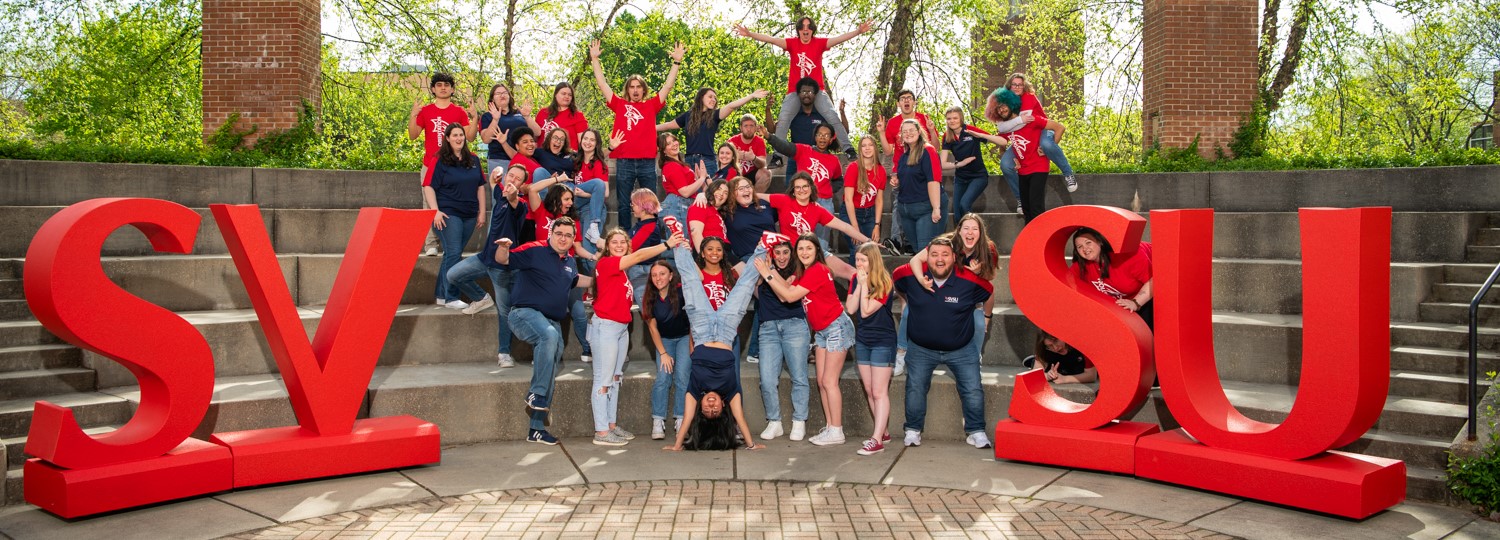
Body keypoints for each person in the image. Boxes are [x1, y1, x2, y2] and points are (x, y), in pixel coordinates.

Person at [493, 217, 592, 445]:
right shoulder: (535, 250)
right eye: (559, 233)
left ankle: (536, 428)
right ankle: (535, 393)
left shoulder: (569, 262)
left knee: (548, 372)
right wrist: (503, 247)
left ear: (572, 239)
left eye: (568, 235)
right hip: (524, 314)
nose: (563, 238)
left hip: (552, 322)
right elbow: (505, 260)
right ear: (551, 232)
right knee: (549, 336)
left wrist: (601, 279)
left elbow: (575, 280)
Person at [663, 240, 770, 452]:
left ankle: (677, 239)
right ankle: (763, 245)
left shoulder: (694, 391)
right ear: (723, 407)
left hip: (702, 329)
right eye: (715, 409)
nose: (711, 405)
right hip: (727, 331)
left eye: (707, 409)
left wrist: (677, 446)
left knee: (691, 282)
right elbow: (739, 418)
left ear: (701, 408)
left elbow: (686, 419)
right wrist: (751, 444)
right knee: (744, 288)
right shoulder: (730, 391)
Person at [892, 236, 994, 450]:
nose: (940, 259)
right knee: (915, 387)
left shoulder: (968, 279)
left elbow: (988, 291)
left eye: (945, 255)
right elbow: (896, 280)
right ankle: (913, 429)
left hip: (962, 349)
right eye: (934, 254)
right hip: (921, 348)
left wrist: (986, 316)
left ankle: (976, 430)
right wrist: (907, 299)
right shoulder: (910, 276)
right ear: (926, 257)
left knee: (973, 389)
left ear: (954, 257)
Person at [754, 234, 855, 446]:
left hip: (836, 327)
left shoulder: (818, 269)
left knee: (829, 381)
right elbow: (785, 293)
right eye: (800, 249)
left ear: (816, 250)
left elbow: (790, 297)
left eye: (808, 248)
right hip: (822, 331)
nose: (804, 252)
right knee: (821, 382)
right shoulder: (804, 272)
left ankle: (837, 430)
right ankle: (830, 427)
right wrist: (771, 270)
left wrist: (766, 272)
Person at [590, 227, 686, 445]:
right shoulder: (607, 263)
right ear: (606, 246)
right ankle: (601, 432)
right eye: (613, 242)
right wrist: (666, 245)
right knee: (602, 380)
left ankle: (611, 426)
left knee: (615, 379)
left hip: (620, 328)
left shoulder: (621, 270)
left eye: (622, 242)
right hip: (605, 327)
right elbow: (640, 256)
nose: (618, 245)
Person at [733, 17, 870, 152]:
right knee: (784, 118)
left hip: (817, 91)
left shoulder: (819, 43)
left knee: (831, 116)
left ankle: (848, 149)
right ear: (798, 30)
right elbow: (771, 39)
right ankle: (777, 156)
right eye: (802, 27)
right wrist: (750, 34)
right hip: (795, 90)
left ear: (812, 30)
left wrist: (858, 31)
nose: (806, 30)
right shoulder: (792, 43)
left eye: (809, 27)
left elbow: (839, 39)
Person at [590, 39, 685, 230]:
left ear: (643, 89)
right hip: (624, 161)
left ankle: (651, 236)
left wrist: (676, 62)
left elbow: (667, 87)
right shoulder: (620, 105)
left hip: (646, 162)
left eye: (638, 87)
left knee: (650, 204)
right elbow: (602, 85)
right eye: (631, 87)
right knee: (624, 205)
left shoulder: (650, 106)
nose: (635, 90)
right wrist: (594, 60)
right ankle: (625, 240)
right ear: (628, 89)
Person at [447, 164, 529, 367]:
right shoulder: (500, 194)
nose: (513, 180)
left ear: (522, 185)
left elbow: (513, 200)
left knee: (504, 311)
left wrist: (511, 194)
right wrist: (495, 179)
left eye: (518, 179)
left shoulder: (520, 204)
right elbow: (496, 187)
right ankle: (481, 297)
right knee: (452, 275)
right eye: (511, 175)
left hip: (503, 267)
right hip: (485, 258)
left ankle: (504, 353)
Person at [897, 216, 999, 375]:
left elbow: (989, 280)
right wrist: (921, 281)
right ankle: (901, 352)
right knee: (908, 312)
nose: (970, 232)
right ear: (959, 230)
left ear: (981, 232)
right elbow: (915, 260)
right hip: (935, 288)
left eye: (974, 229)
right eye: (966, 228)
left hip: (965, 296)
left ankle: (974, 357)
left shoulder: (988, 249)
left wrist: (978, 274)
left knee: (979, 323)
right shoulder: (946, 243)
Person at [526, 176, 595, 363]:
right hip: (543, 270)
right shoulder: (541, 212)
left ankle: (588, 348)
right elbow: (532, 189)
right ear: (556, 198)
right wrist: (557, 179)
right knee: (543, 314)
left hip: (567, 270)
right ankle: (542, 353)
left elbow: (579, 248)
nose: (570, 203)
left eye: (571, 199)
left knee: (579, 314)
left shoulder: (573, 220)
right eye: (567, 199)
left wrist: (592, 256)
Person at [408, 72, 477, 256]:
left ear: (452, 89)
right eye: (439, 85)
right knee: (428, 203)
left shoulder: (459, 111)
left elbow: (470, 136)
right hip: (430, 164)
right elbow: (413, 135)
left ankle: (449, 244)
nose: (443, 87)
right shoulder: (426, 111)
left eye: (447, 84)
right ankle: (430, 243)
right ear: (433, 89)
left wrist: (475, 117)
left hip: (454, 166)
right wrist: (413, 115)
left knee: (450, 202)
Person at [422, 123, 488, 310]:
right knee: (453, 253)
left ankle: (442, 295)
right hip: (448, 214)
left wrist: (482, 212)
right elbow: (428, 186)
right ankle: (451, 297)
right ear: (448, 138)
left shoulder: (473, 159)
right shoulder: (439, 160)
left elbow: (480, 187)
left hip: (469, 215)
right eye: (455, 135)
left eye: (461, 135)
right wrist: (435, 211)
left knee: (452, 254)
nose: (459, 138)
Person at [752, 240, 812, 441]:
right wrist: (761, 266)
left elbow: (786, 291)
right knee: (767, 380)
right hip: (768, 328)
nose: (782, 257)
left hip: (794, 326)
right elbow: (753, 284)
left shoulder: (799, 270)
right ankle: (774, 421)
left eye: (786, 252)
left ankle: (799, 421)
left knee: (799, 377)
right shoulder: (764, 270)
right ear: (772, 254)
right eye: (777, 253)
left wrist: (768, 270)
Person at [981, 88, 1066, 223]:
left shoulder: (1031, 119)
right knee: (1026, 209)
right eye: (998, 109)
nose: (1001, 110)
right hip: (1022, 170)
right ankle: (1029, 240)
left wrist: (1047, 149)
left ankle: (1039, 241)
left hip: (1038, 167)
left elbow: (1059, 127)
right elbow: (1003, 143)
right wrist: (1008, 157)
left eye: (1003, 106)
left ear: (1011, 104)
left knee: (1036, 207)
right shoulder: (1007, 127)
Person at [764, 173, 867, 280]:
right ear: (793, 191)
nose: (801, 190)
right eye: (797, 187)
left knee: (852, 272)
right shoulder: (783, 200)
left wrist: (868, 240)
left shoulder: (817, 209)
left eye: (805, 186)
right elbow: (756, 195)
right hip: (792, 252)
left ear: (811, 188)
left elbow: (845, 227)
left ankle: (863, 295)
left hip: (812, 250)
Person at [845, 242, 897, 455]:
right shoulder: (856, 279)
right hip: (864, 340)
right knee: (869, 389)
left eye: (863, 260)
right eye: (857, 259)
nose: (859, 264)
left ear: (872, 260)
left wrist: (865, 284)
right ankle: (882, 430)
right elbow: (850, 308)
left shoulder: (884, 281)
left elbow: (866, 312)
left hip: (883, 341)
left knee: (878, 390)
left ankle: (876, 439)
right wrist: (859, 284)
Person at [992, 73, 1078, 194]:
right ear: (1009, 86)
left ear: (1024, 86)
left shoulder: (1028, 97)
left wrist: (1048, 150)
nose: (1017, 87)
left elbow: (1023, 122)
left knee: (1047, 145)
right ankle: (1020, 198)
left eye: (1020, 85)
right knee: (1005, 164)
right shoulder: (1006, 103)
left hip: (1041, 128)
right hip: (1024, 134)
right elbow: (1002, 129)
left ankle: (1068, 173)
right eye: (1014, 84)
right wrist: (1003, 148)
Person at [766, 124, 845, 250]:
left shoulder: (833, 160)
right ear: (815, 137)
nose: (822, 138)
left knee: (821, 241)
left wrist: (828, 190)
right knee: (801, 237)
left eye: (826, 135)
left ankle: (821, 260)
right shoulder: (804, 150)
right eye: (819, 134)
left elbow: (838, 180)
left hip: (823, 202)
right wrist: (769, 136)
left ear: (831, 139)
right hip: (801, 199)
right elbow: (785, 147)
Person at [656, 87, 770, 174]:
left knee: (710, 195)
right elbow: (669, 125)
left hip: (707, 160)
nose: (713, 100)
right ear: (701, 97)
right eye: (710, 97)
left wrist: (751, 96)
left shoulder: (714, 115)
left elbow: (731, 106)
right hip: (690, 160)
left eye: (715, 98)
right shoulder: (688, 116)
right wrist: (649, 128)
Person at [1070, 227, 1154, 330]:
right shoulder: (1080, 265)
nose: (1084, 249)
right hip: (1120, 304)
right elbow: (1067, 285)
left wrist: (1136, 302)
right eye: (1079, 246)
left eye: (1088, 243)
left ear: (1100, 241)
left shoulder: (1128, 256)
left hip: (1151, 291)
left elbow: (1155, 281)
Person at [644, 260, 692, 440]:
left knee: (682, 376)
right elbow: (652, 328)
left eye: (662, 274)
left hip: (684, 337)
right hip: (664, 340)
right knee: (663, 377)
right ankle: (658, 419)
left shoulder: (681, 292)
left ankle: (681, 418)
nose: (658, 278)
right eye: (654, 275)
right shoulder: (649, 295)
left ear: (671, 276)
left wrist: (692, 344)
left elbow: (692, 320)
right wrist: (663, 353)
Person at [890, 119, 944, 252]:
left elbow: (933, 180)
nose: (908, 134)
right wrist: (897, 181)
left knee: (924, 252)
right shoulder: (904, 156)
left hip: (925, 209)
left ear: (919, 131)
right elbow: (908, 177)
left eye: (911, 130)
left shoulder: (928, 151)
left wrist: (936, 208)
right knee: (916, 252)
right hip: (906, 210)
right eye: (904, 132)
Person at [941, 107, 997, 225]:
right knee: (957, 215)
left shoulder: (970, 131)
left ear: (961, 118)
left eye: (955, 118)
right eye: (949, 119)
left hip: (978, 176)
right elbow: (942, 164)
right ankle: (961, 241)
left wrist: (980, 135)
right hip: (961, 178)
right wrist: (959, 164)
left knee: (964, 205)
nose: (952, 121)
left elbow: (1002, 141)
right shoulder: (947, 136)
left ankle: (976, 234)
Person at [843, 134, 887, 265]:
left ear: (875, 148)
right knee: (856, 249)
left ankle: (870, 284)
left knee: (871, 250)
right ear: (860, 149)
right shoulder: (853, 168)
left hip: (870, 214)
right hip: (852, 213)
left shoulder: (881, 170)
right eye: (863, 146)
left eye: (870, 145)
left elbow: (879, 200)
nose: (867, 148)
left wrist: (877, 225)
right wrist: (854, 226)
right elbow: (848, 200)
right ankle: (854, 283)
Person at [574, 129, 621, 246]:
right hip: (573, 204)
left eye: (592, 140)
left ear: (597, 144)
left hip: (591, 207)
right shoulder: (574, 160)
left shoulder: (599, 164)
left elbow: (605, 193)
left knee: (587, 249)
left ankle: (594, 225)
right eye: (585, 139)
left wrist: (583, 194)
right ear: (581, 141)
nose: (588, 142)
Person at [477, 84, 528, 179]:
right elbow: (486, 139)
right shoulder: (487, 116)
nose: (502, 95)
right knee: (501, 192)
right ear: (492, 99)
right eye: (498, 93)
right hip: (499, 159)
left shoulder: (519, 113)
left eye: (505, 93)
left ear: (509, 96)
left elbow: (535, 134)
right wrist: (495, 119)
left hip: (521, 159)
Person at [658, 132, 709, 227]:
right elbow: (684, 192)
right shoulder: (672, 166)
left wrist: (697, 179)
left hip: (680, 205)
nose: (673, 144)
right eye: (668, 144)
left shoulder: (677, 164)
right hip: (678, 206)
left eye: (674, 140)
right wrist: (702, 178)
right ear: (663, 150)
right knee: (682, 241)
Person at [882, 89, 939, 161]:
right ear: (898, 104)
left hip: (923, 163)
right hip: (901, 166)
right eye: (902, 99)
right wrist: (881, 132)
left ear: (914, 103)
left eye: (909, 98)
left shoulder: (925, 119)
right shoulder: (892, 122)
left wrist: (931, 130)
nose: (906, 100)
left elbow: (936, 148)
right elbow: (888, 152)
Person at [1023, 331, 1098, 385]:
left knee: (1077, 369)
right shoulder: (1045, 350)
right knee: (1052, 367)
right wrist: (1048, 376)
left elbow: (1091, 376)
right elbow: (1035, 375)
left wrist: (1065, 379)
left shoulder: (1082, 344)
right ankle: (1035, 361)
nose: (1055, 348)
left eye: (1056, 341)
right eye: (1050, 346)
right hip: (1058, 367)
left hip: (1078, 366)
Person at [530, 82, 589, 149]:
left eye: (570, 95)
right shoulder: (543, 112)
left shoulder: (577, 116)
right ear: (555, 94)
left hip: (566, 157)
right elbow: (535, 137)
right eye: (563, 94)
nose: (567, 97)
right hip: (542, 155)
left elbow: (583, 143)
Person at [728, 115, 773, 191]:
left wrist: (753, 158)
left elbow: (763, 163)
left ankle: (755, 199)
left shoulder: (759, 141)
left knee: (767, 172)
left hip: (751, 175)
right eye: (745, 126)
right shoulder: (732, 141)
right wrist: (735, 156)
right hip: (735, 174)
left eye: (751, 126)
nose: (749, 129)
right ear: (741, 128)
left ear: (755, 128)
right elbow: (723, 161)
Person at [688, 179, 730, 252]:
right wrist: (704, 255)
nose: (721, 193)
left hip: (724, 250)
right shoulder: (700, 204)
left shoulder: (718, 213)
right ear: (712, 189)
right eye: (719, 189)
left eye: (725, 193)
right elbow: (696, 233)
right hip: (710, 251)